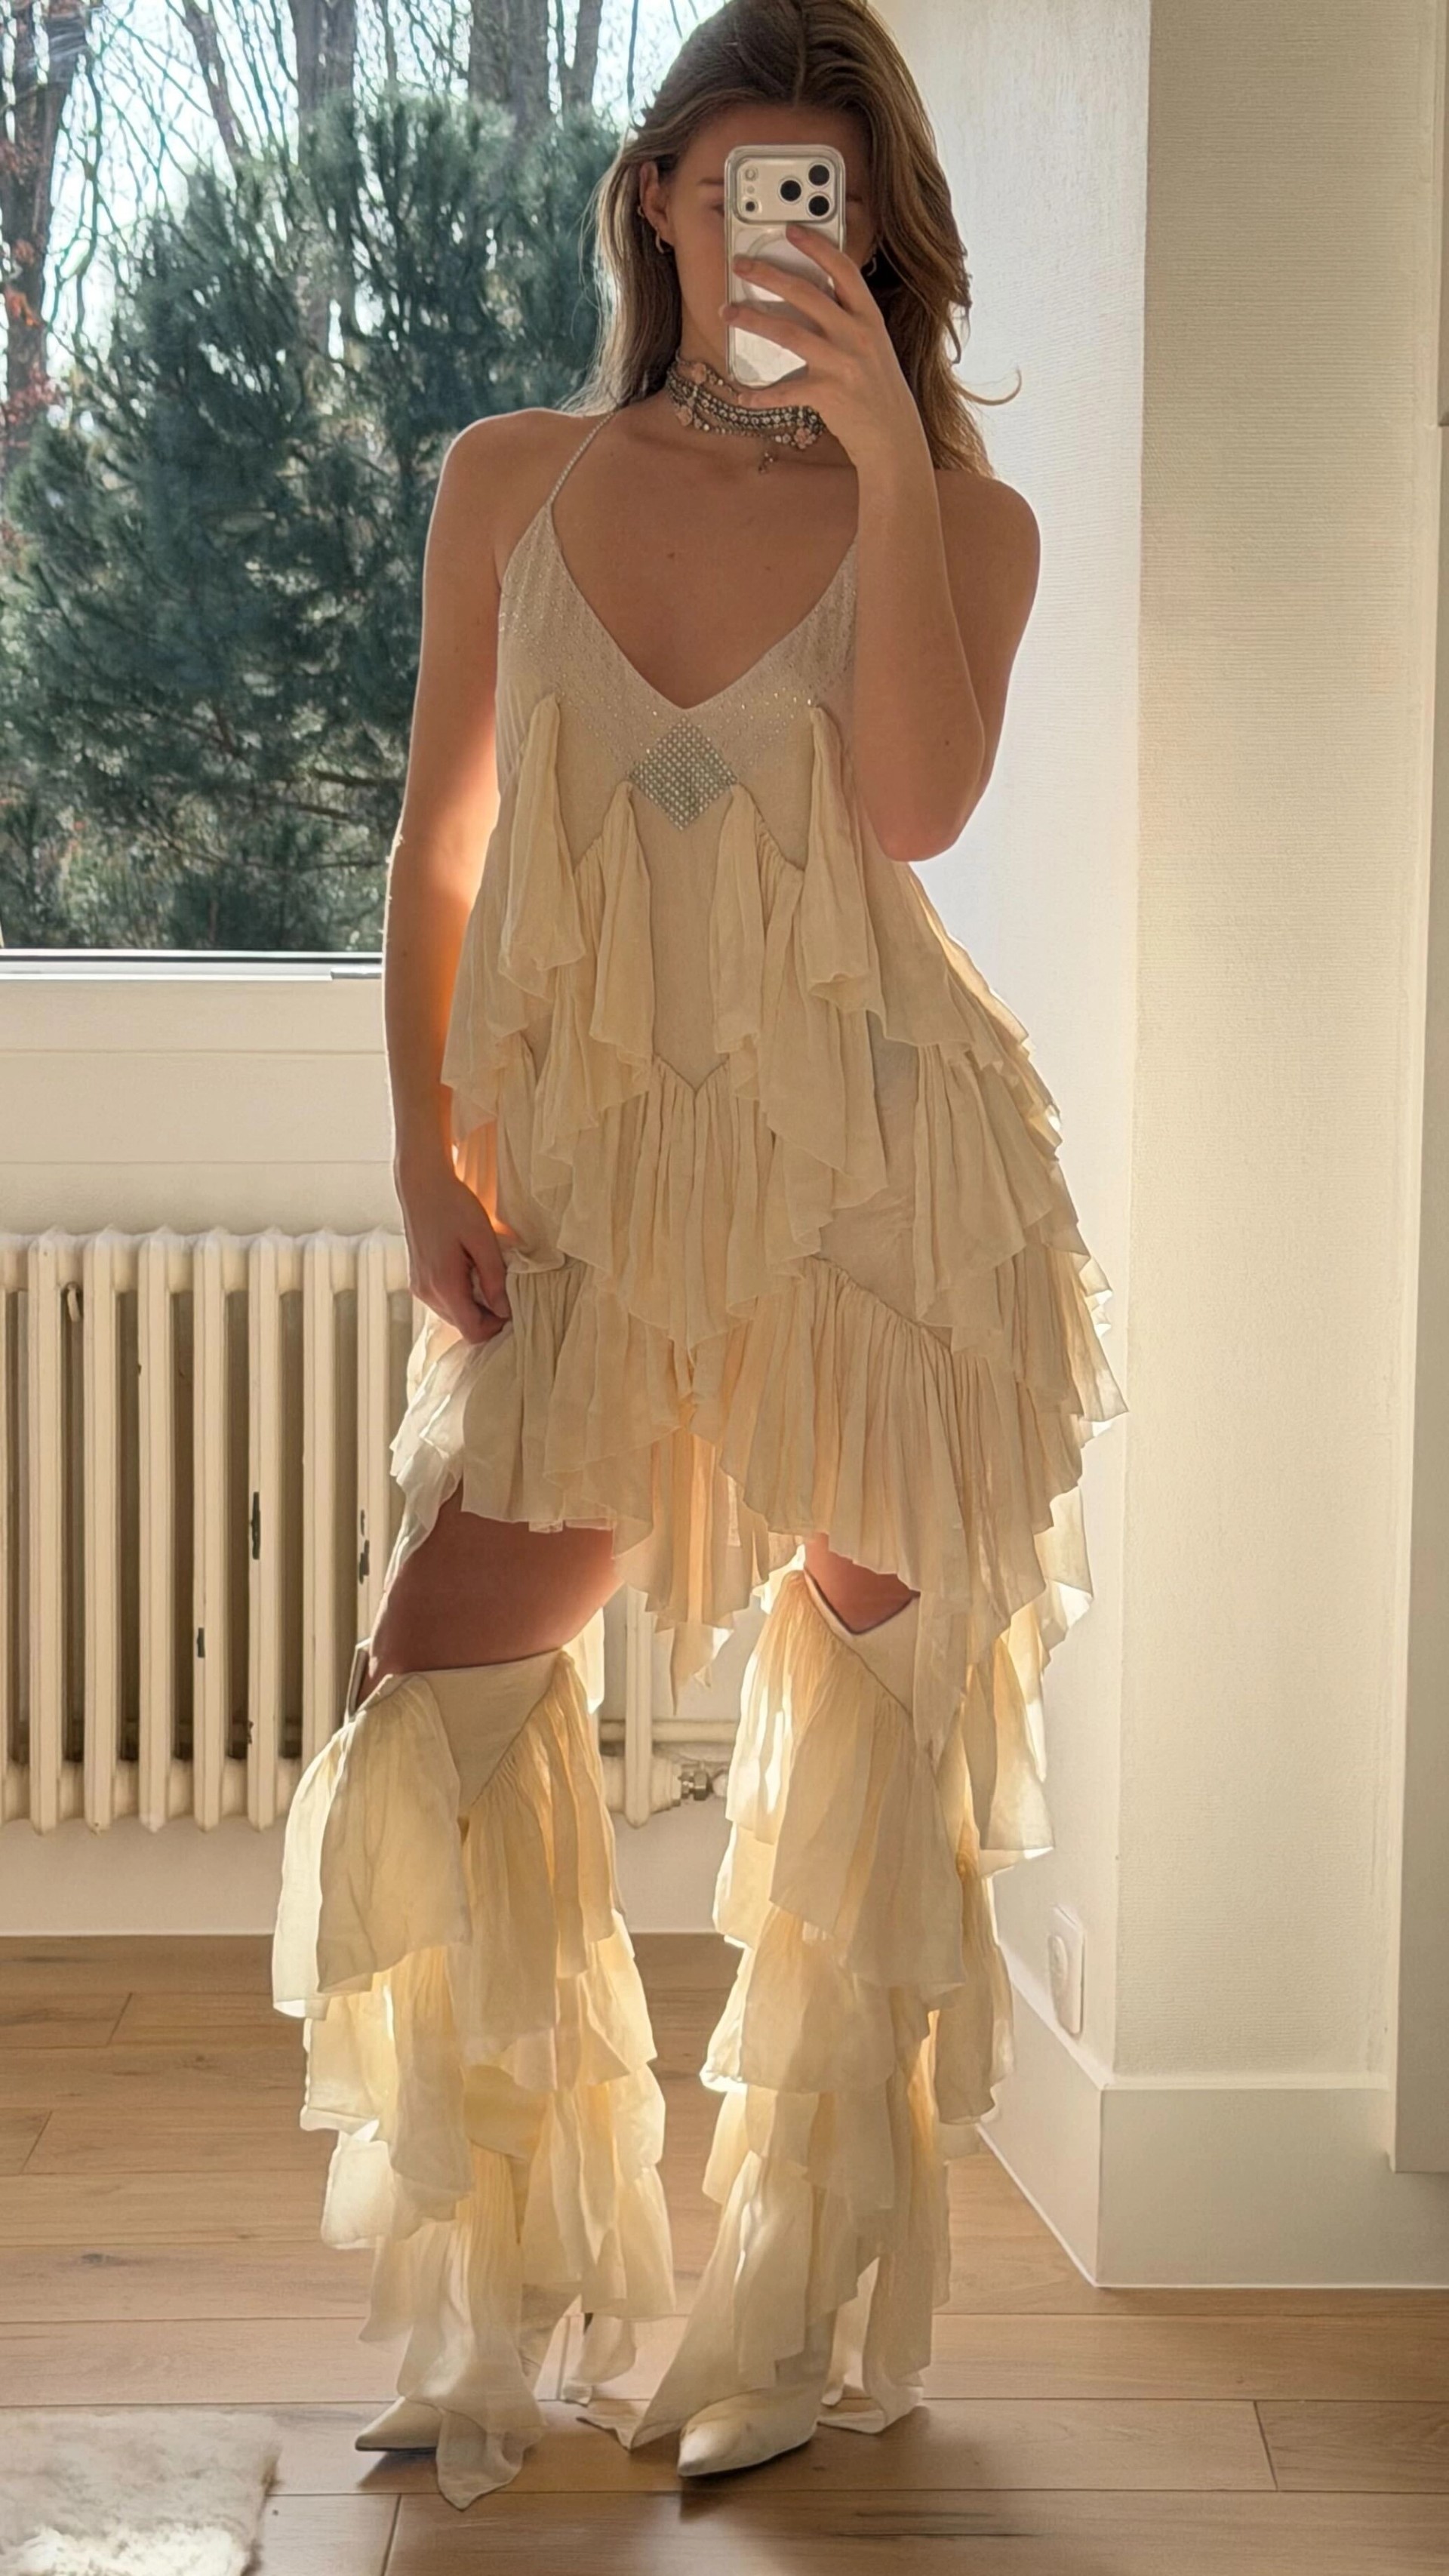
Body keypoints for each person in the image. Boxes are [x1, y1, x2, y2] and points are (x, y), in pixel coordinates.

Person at [271, 0, 1128, 2513]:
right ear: (655, 196)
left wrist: (886, 457)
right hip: (599, 1192)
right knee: (441, 1672)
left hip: (884, 1194)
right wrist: (421, 1153)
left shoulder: (968, 524)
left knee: (874, 1713)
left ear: (880, 236)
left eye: (821, 201)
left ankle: (790, 2322)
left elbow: (916, 812)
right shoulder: (508, 479)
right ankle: (503, 2297)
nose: (777, 237)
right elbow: (439, 843)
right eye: (741, 185)